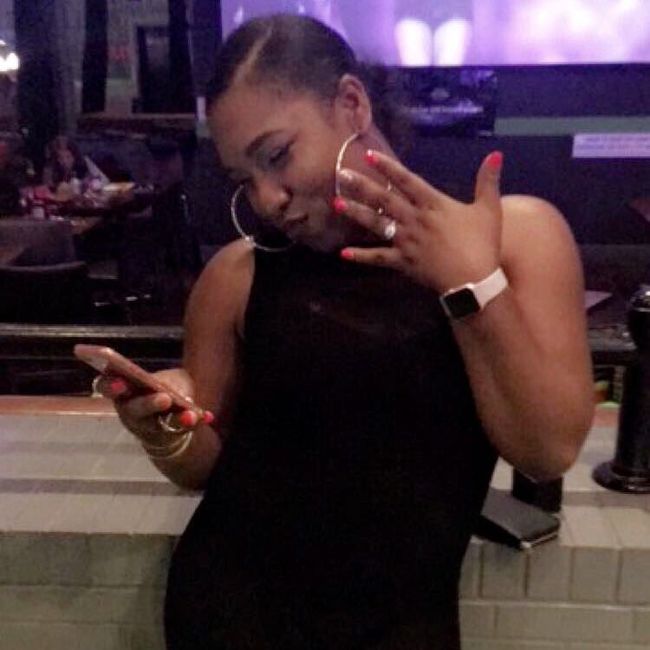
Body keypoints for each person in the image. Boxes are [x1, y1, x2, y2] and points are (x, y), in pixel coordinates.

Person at [97, 14, 594, 650]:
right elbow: (206, 468)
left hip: (401, 627)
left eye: (277, 156)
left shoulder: (514, 236)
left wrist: (469, 283)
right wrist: (163, 428)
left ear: (352, 104)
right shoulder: (237, 276)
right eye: (243, 179)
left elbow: (547, 448)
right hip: (230, 616)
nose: (267, 199)